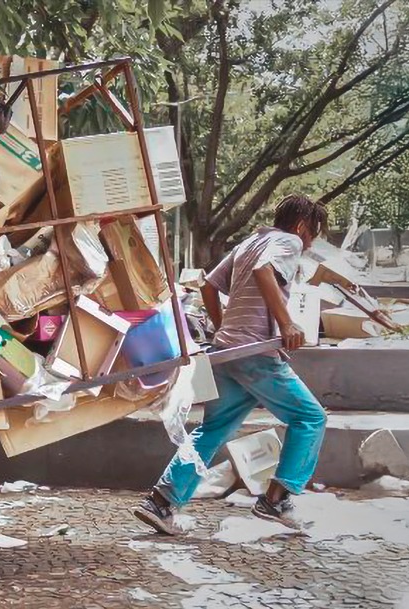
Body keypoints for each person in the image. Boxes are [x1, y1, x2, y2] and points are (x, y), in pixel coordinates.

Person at [132, 195, 329, 535]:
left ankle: (161, 503)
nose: (309, 243)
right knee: (310, 418)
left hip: (227, 351)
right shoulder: (288, 241)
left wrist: (223, 326)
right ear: (301, 227)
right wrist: (286, 324)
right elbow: (263, 271)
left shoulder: (252, 241)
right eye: (312, 234)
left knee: (213, 428)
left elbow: (208, 284)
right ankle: (276, 500)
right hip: (255, 354)